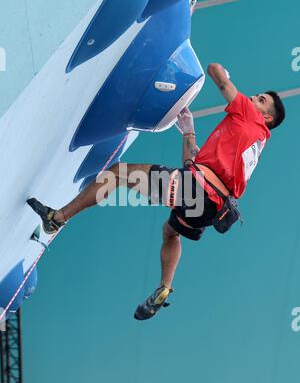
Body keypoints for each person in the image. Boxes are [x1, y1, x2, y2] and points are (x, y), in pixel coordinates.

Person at [27, 63, 286, 321]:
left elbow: (216, 73)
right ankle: (164, 286)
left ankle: (57, 219)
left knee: (117, 174)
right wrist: (189, 132)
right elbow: (192, 165)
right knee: (170, 232)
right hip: (209, 206)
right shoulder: (252, 143)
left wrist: (225, 75)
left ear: (266, 117)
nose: (253, 97)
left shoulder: (249, 116)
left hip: (194, 188)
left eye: (260, 100)